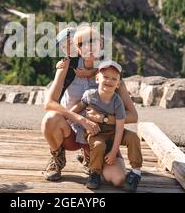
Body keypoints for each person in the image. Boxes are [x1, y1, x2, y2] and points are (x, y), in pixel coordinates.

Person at [42, 24, 139, 188]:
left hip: (100, 134)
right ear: (77, 48)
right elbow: (49, 103)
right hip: (71, 131)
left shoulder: (110, 71)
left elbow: (133, 116)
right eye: (82, 44)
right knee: (50, 119)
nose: (88, 47)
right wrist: (81, 119)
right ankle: (57, 156)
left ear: (101, 43)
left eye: (92, 41)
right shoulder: (67, 66)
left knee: (117, 179)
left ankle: (89, 157)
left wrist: (105, 118)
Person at [70, 60, 143, 191]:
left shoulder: (117, 101)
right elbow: (79, 107)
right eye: (106, 77)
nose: (109, 81)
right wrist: (68, 115)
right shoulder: (90, 95)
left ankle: (136, 173)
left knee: (133, 138)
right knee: (98, 145)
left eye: (114, 78)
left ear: (118, 84)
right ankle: (94, 173)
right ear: (97, 78)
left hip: (114, 132)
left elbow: (120, 127)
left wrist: (114, 151)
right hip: (96, 133)